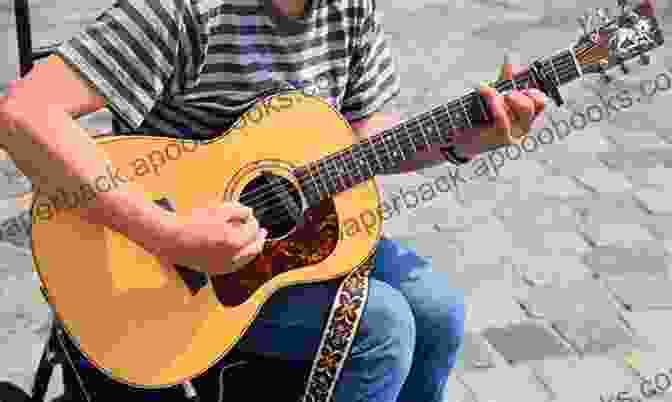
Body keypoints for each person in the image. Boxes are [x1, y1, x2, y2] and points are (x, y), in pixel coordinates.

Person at [0, 0, 545, 401]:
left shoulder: (349, 7)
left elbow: (364, 137)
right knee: (382, 330)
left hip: (287, 245)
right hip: (164, 277)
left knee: (438, 309)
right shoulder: (183, 12)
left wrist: (464, 139)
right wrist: (171, 235)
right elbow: (25, 114)